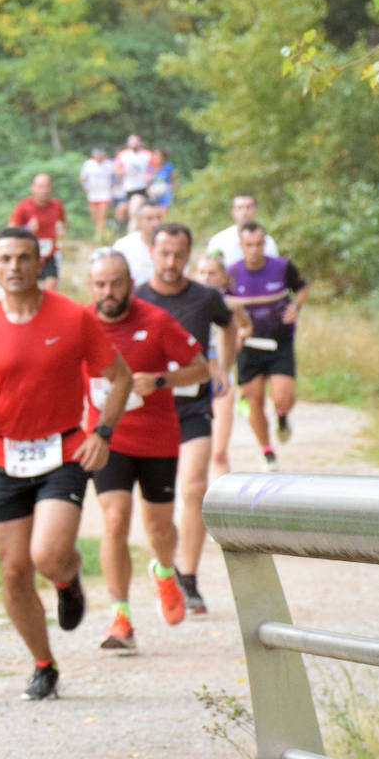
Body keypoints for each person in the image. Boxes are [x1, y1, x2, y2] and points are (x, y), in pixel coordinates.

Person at [0, 227, 130, 701]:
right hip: (5, 455)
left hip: (63, 451)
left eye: (23, 257)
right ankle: (44, 665)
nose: (14, 267)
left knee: (46, 555)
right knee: (13, 571)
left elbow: (120, 376)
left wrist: (103, 432)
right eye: (5, 259)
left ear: (39, 263)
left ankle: (67, 578)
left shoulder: (72, 317)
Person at [84, 249, 208, 652]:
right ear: (90, 287)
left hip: (156, 438)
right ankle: (120, 617)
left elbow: (201, 368)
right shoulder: (80, 324)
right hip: (107, 439)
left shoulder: (154, 320)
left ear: (129, 283)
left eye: (116, 283)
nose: (109, 292)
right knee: (115, 519)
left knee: (159, 528)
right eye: (100, 284)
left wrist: (160, 379)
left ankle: (165, 571)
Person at [135, 223, 237, 615]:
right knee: (155, 502)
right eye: (164, 253)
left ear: (189, 255)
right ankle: (165, 565)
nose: (171, 262)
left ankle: (189, 578)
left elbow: (228, 325)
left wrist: (223, 367)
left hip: (192, 404)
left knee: (194, 486)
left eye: (179, 254)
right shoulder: (139, 296)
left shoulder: (206, 297)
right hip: (150, 409)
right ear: (152, 253)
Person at [227, 222, 309, 471]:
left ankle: (282, 416)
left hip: (278, 341)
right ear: (241, 246)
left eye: (259, 244)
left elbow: (302, 288)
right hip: (249, 345)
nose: (254, 249)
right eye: (249, 245)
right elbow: (223, 307)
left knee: (282, 397)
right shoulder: (231, 273)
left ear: (265, 244)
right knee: (254, 400)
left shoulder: (282, 267)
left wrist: (295, 307)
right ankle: (267, 452)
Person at [194, 253, 251, 478]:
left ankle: (219, 505)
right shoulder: (186, 304)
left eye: (212, 273)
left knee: (218, 452)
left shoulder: (231, 305)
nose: (206, 278)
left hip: (221, 379)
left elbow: (245, 327)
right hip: (192, 380)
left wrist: (237, 340)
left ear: (223, 277)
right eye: (202, 272)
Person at [8, 173, 68, 290]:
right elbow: (10, 230)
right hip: (29, 254)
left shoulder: (56, 205)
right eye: (40, 187)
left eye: (47, 186)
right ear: (33, 188)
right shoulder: (23, 206)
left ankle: (48, 308)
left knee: (51, 286)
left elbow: (63, 223)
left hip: (49, 253)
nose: (44, 190)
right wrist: (26, 228)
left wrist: (61, 228)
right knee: (29, 289)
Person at [206, 193, 278, 267]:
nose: (245, 212)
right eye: (240, 207)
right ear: (233, 211)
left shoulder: (268, 241)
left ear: (255, 210)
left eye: (249, 207)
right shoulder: (218, 241)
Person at [112, 200, 164, 290]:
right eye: (150, 219)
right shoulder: (123, 246)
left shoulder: (170, 247)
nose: (156, 223)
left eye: (158, 218)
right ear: (139, 220)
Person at [114, 134, 154, 228]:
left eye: (136, 142)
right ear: (128, 143)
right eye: (132, 142)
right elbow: (116, 169)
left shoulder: (147, 154)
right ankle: (120, 230)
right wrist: (123, 171)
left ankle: (131, 235)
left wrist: (149, 178)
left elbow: (154, 169)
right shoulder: (123, 155)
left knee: (134, 212)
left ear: (140, 142)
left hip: (140, 188)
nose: (134, 144)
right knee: (120, 210)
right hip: (126, 188)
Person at [79, 147, 114, 242]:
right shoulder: (89, 164)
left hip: (104, 193)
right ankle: (103, 229)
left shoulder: (109, 165)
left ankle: (99, 234)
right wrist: (85, 187)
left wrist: (113, 187)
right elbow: (82, 178)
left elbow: (115, 176)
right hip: (93, 194)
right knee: (94, 215)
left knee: (102, 214)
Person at [147, 148, 177, 212]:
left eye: (157, 155)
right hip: (154, 194)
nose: (155, 157)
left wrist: (171, 190)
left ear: (163, 157)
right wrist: (149, 192)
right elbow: (147, 183)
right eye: (154, 155)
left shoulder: (169, 167)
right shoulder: (150, 168)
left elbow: (175, 181)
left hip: (166, 194)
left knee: (164, 211)